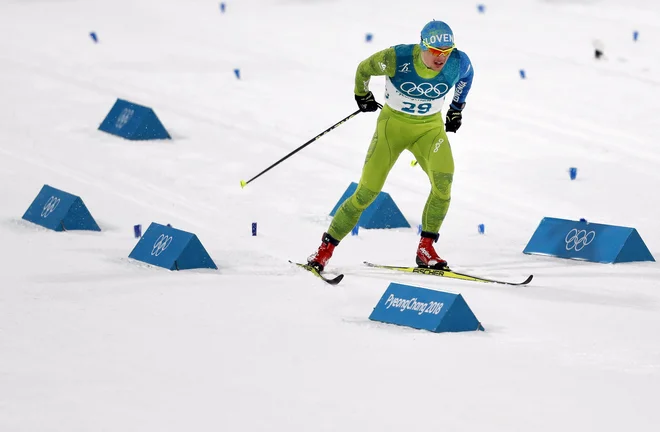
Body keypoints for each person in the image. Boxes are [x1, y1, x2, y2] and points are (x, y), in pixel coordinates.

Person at [307, 19, 474, 272]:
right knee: (366, 194)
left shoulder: (458, 61)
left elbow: (467, 76)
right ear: (422, 47)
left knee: (443, 186)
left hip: (429, 130)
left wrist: (456, 109)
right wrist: (361, 94)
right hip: (392, 129)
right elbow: (364, 68)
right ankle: (324, 251)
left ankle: (426, 249)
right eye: (436, 52)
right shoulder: (398, 57)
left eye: (446, 52)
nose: (441, 58)